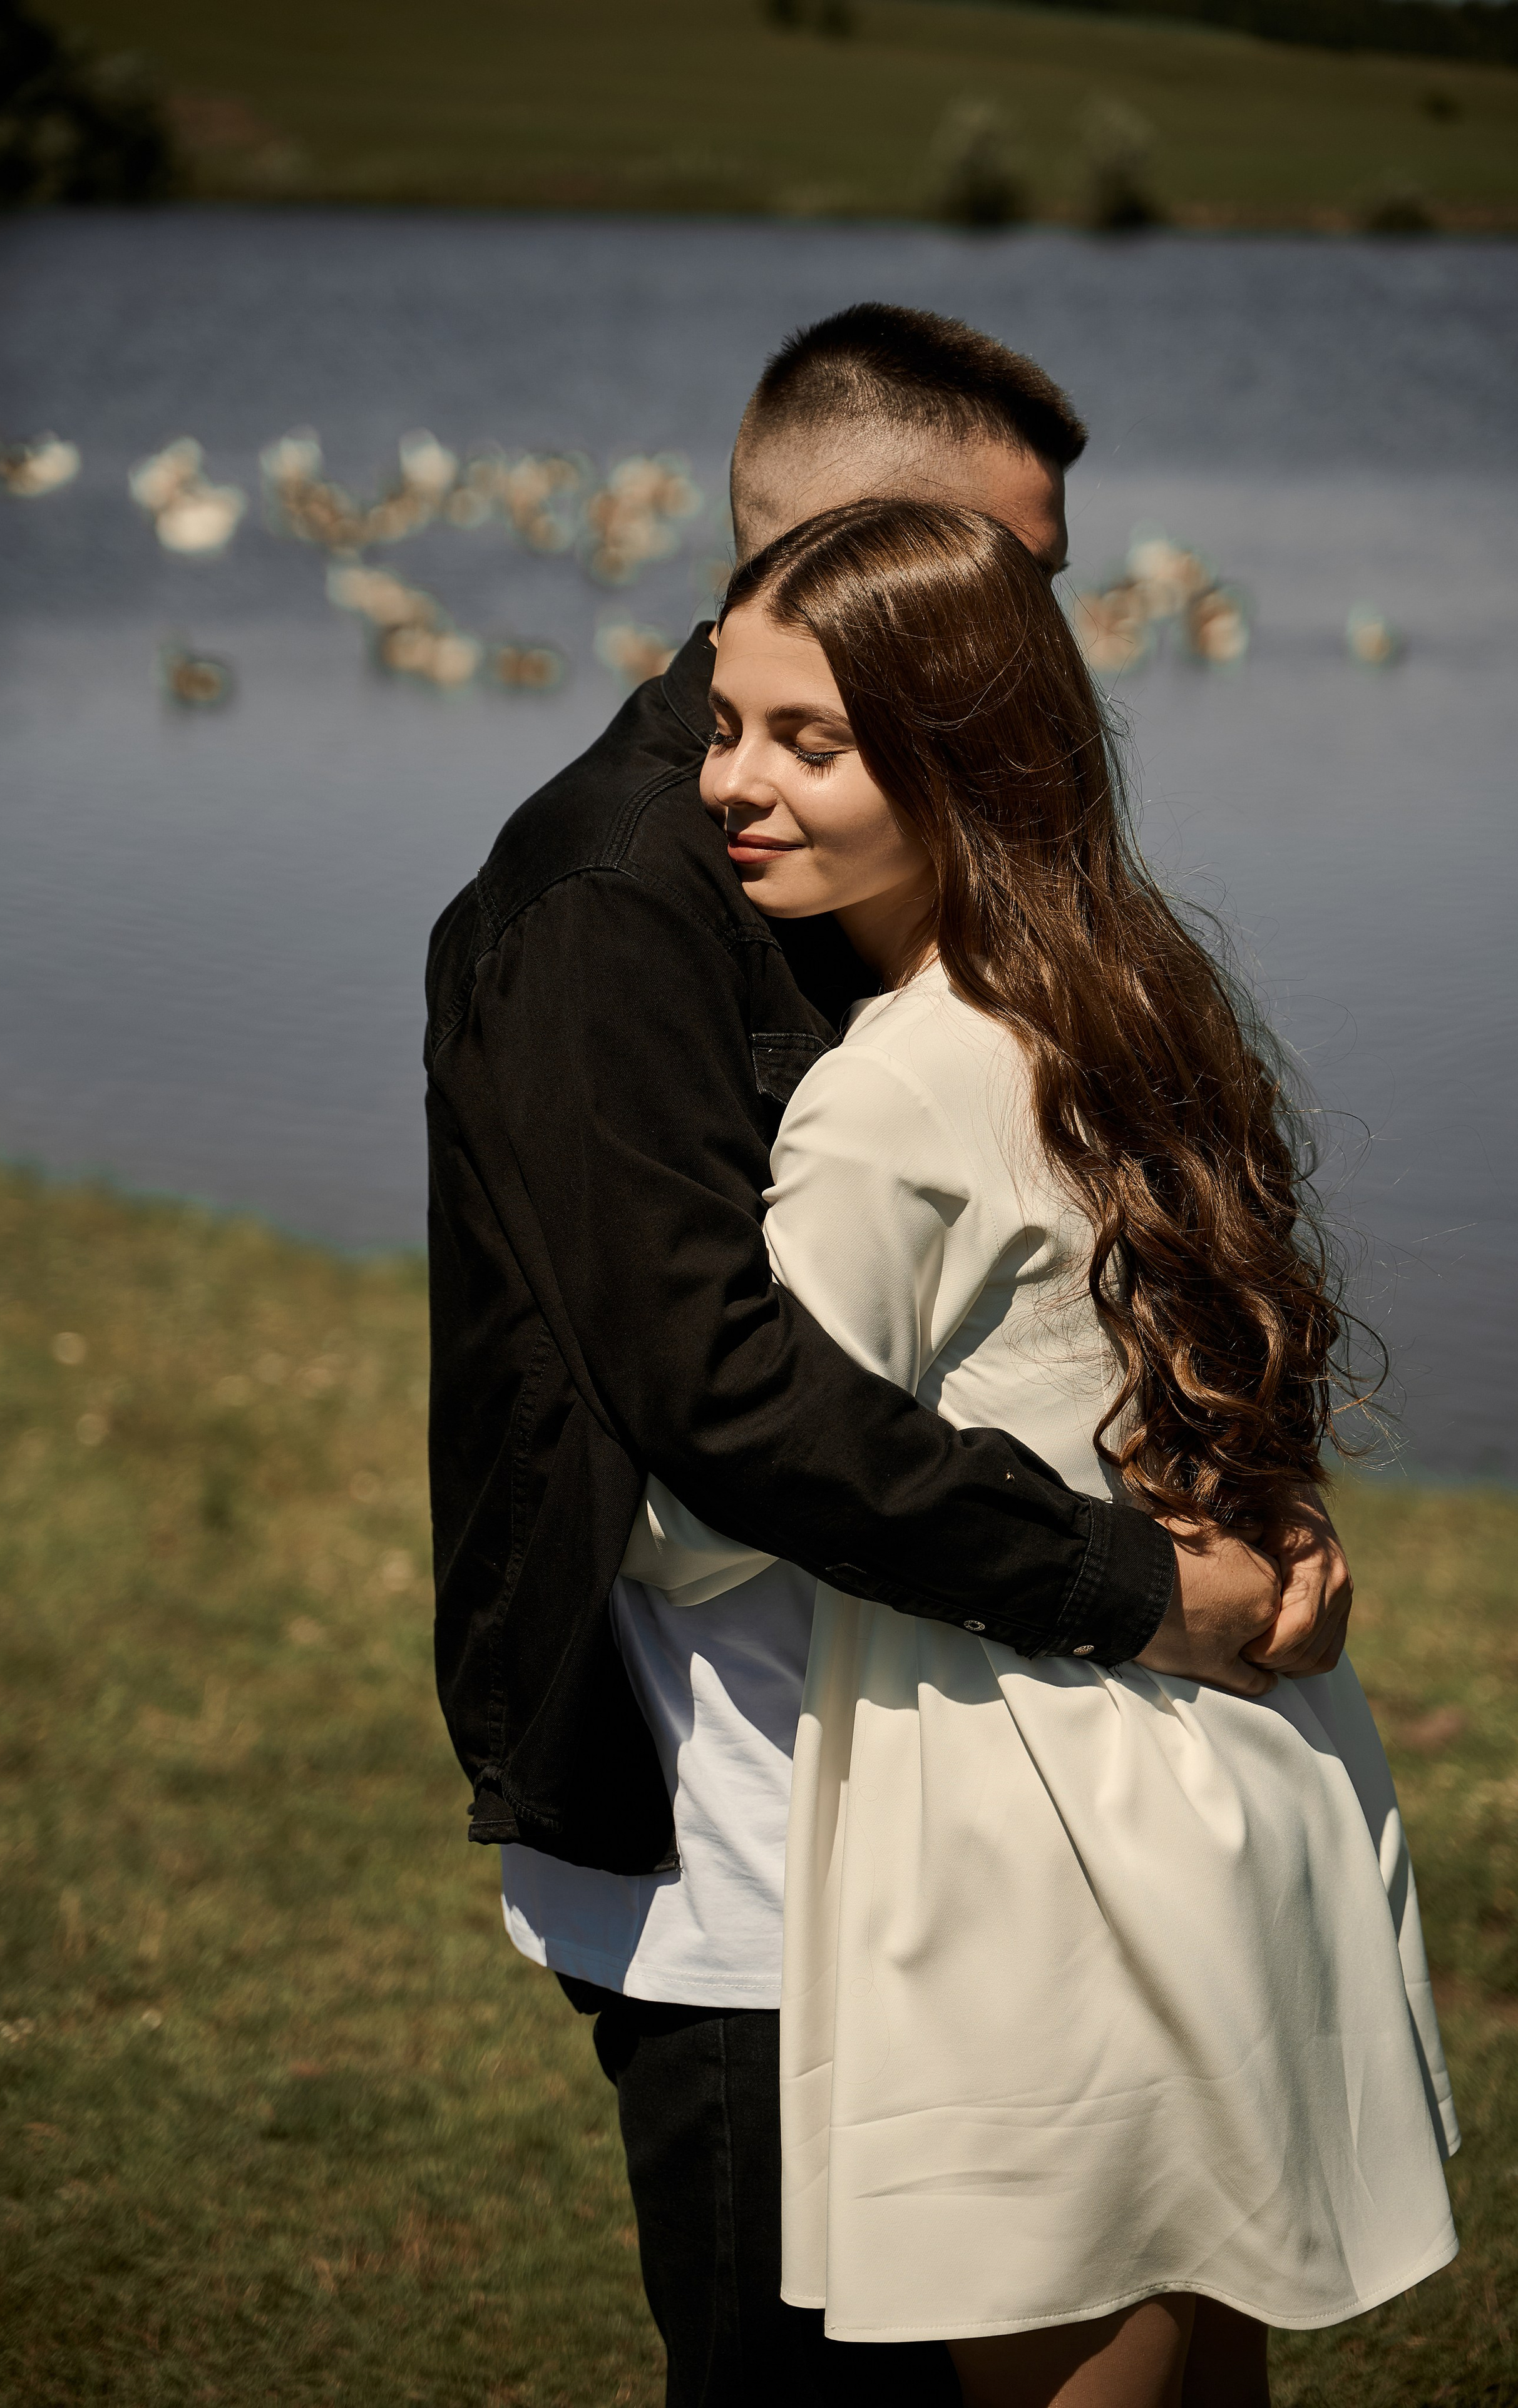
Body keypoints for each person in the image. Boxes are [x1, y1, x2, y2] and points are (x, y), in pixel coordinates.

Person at [423, 307, 1352, 2406]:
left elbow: (1090, 1270)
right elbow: (715, 1409)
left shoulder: (967, 894)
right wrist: (1146, 1594)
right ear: (860, 558)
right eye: (1015, 570)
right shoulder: (609, 903)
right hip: (745, 1840)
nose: (1050, 625)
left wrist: (1253, 1506)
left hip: (998, 1785)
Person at [629, 496, 1457, 2408]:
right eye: (727, 725)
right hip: (1241, 1775)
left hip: (1032, 1826)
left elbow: (718, 1516)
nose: (731, 783)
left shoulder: (889, 1087)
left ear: (965, 755)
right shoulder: (1132, 993)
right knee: (1203, 2347)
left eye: (806, 742)